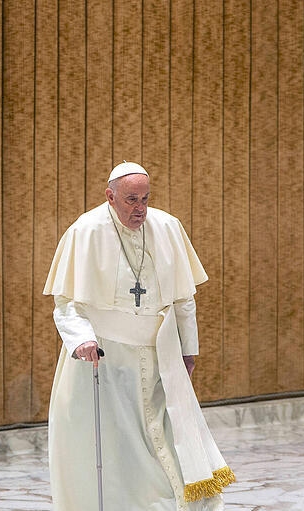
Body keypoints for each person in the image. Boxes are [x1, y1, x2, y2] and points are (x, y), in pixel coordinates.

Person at [44, 161, 235, 511]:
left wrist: (188, 350)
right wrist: (82, 338)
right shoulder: (85, 231)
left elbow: (183, 298)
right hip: (105, 360)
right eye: (131, 200)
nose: (140, 209)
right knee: (117, 449)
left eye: (145, 199)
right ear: (110, 196)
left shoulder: (168, 227)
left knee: (168, 436)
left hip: (161, 354)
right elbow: (66, 302)